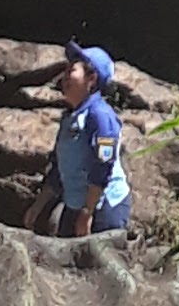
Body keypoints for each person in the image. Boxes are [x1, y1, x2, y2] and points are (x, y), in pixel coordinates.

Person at [39, 42, 136, 239]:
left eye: (72, 70)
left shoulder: (100, 116)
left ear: (91, 78)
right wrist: (38, 206)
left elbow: (103, 162)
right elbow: (61, 168)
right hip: (75, 206)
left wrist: (87, 212)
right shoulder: (70, 117)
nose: (65, 76)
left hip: (103, 208)